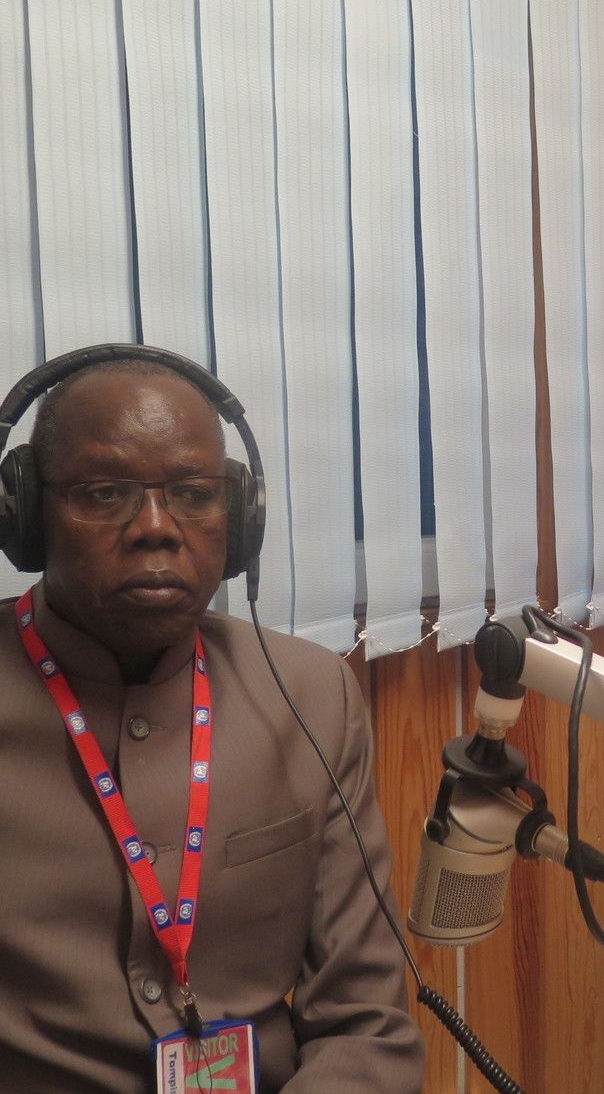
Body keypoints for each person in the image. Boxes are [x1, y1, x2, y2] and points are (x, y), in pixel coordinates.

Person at [0, 350, 425, 1092]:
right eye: (105, 492)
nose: (156, 528)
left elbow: (366, 1019)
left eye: (194, 494)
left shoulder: (310, 696)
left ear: (239, 518)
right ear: (28, 513)